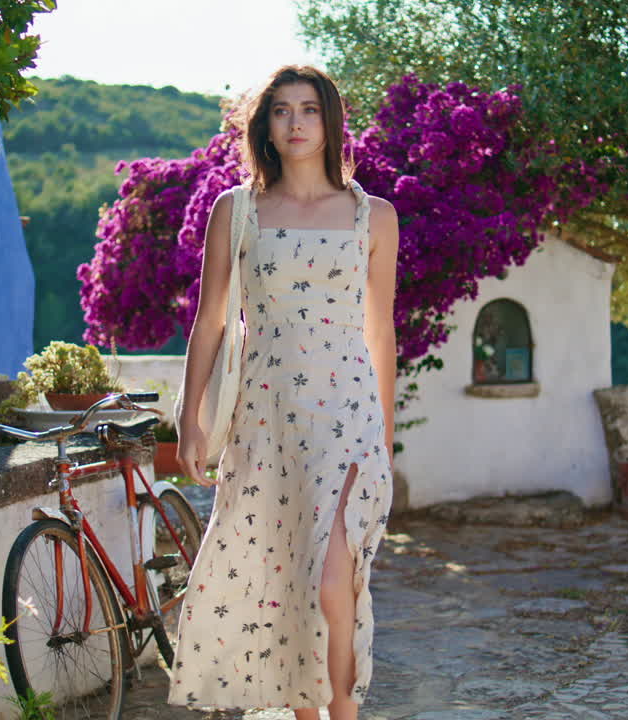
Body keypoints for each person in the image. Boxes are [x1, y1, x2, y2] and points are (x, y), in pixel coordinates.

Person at [169, 64, 399, 720]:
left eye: (309, 110)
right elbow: (211, 320)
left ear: (330, 122)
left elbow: (379, 334)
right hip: (267, 420)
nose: (295, 123)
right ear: (265, 124)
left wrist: (384, 438)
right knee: (287, 585)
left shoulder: (373, 216)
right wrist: (191, 419)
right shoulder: (236, 211)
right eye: (281, 111)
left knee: (331, 578)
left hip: (348, 418)